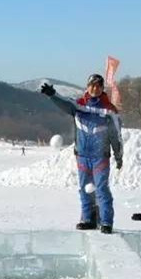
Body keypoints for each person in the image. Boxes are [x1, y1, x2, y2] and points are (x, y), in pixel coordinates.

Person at [41, 74, 123, 234]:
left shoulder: (109, 110)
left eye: (99, 86)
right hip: (82, 156)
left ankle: (106, 222)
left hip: (100, 156)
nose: (95, 88)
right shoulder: (78, 105)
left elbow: (116, 135)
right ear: (87, 86)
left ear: (102, 88)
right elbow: (64, 103)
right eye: (92, 85)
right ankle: (88, 219)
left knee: (101, 189)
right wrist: (52, 95)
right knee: (85, 188)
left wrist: (119, 156)